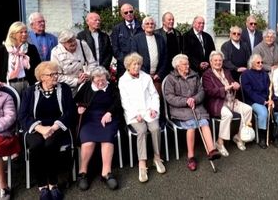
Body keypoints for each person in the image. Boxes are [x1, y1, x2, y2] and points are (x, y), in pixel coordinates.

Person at [19, 61, 75, 200]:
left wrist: (55, 127)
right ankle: (42, 185)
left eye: (56, 73)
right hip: (36, 127)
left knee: (50, 145)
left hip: (57, 126)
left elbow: (70, 112)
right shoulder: (30, 91)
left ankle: (53, 184)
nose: (55, 77)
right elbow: (23, 115)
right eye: (51, 75)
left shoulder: (65, 89)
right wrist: (40, 128)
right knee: (36, 146)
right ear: (42, 77)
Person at [164, 54, 221, 171]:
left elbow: (201, 91)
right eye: (185, 64)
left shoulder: (194, 75)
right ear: (177, 66)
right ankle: (191, 157)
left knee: (204, 122)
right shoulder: (171, 79)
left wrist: (194, 99)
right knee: (192, 125)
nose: (188, 66)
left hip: (196, 107)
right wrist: (186, 101)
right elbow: (169, 97)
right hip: (180, 110)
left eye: (188, 63)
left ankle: (211, 150)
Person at [118, 53, 166, 183]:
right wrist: (135, 114)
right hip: (134, 113)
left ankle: (157, 158)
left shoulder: (146, 77)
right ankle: (142, 164)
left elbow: (154, 95)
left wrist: (154, 109)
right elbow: (125, 101)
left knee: (155, 128)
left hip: (148, 111)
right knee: (142, 131)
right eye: (134, 64)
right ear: (128, 66)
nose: (137, 66)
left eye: (139, 64)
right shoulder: (123, 80)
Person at [74, 66, 121, 191]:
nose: (100, 83)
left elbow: (118, 102)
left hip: (107, 117)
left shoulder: (111, 87)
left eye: (103, 81)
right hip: (89, 118)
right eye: (97, 81)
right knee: (88, 141)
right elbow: (76, 101)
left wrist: (110, 113)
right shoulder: (86, 87)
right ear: (92, 80)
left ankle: (106, 173)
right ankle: (82, 172)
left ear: (107, 78)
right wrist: (79, 108)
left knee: (107, 139)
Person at [202, 51, 253, 155]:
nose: (218, 62)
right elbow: (208, 92)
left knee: (248, 109)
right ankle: (220, 142)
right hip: (216, 102)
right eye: (215, 60)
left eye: (220, 60)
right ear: (210, 62)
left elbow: (233, 83)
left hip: (231, 100)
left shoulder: (227, 71)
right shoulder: (207, 74)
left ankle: (238, 137)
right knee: (228, 114)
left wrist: (236, 85)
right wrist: (224, 88)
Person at [241, 54, 278, 149]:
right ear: (252, 63)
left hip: (268, 99)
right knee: (263, 112)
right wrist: (263, 101)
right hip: (254, 101)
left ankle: (275, 134)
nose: (260, 64)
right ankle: (262, 137)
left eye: (262, 62)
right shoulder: (246, 74)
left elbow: (270, 90)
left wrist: (271, 99)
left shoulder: (264, 74)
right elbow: (249, 92)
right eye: (258, 62)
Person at [0, 21, 41, 95]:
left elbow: (38, 67)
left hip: (27, 83)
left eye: (25, 32)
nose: (24, 34)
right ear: (13, 34)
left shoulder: (31, 49)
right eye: (21, 32)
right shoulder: (1, 50)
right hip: (8, 85)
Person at [51, 29, 97, 96]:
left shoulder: (82, 45)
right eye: (69, 41)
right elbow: (57, 75)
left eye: (74, 40)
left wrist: (87, 74)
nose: (73, 43)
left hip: (85, 84)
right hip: (67, 88)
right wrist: (76, 81)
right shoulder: (56, 52)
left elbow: (92, 63)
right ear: (62, 43)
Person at [131, 16, 167, 92]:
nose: (150, 25)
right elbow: (134, 58)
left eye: (152, 24)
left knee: (156, 99)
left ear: (155, 26)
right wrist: (146, 74)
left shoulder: (160, 39)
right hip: (142, 75)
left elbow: (165, 58)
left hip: (157, 78)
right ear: (143, 27)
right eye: (147, 24)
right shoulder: (136, 39)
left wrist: (159, 74)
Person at [111, 3, 144, 77]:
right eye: (126, 12)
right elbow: (115, 49)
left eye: (131, 11)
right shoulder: (117, 29)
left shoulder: (142, 26)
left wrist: (138, 62)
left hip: (140, 66)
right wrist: (127, 62)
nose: (129, 14)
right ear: (122, 15)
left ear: (134, 12)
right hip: (123, 66)